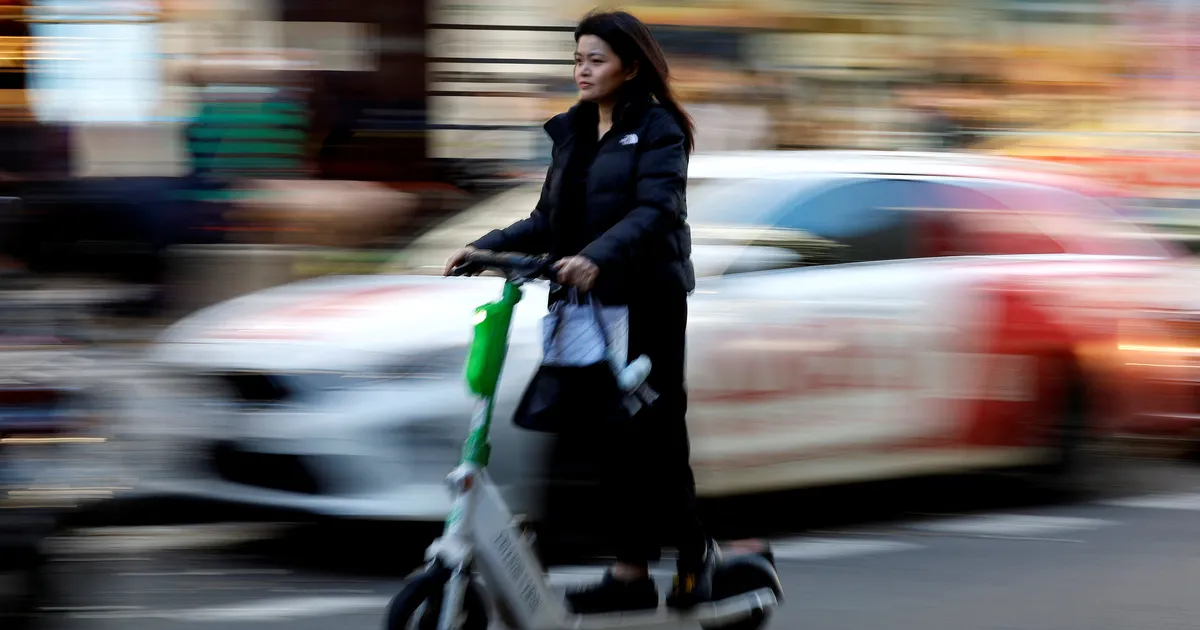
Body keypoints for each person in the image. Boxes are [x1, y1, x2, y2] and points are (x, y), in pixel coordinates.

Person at [443, 9, 714, 615]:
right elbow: (548, 219)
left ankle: (694, 554)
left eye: (596, 60)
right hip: (584, 306)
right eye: (577, 59)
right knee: (602, 437)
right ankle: (629, 574)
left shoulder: (659, 128)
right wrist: (484, 248)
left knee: (653, 435)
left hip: (645, 302)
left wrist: (596, 256)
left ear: (630, 67)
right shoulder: (573, 131)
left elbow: (655, 211)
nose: (582, 70)